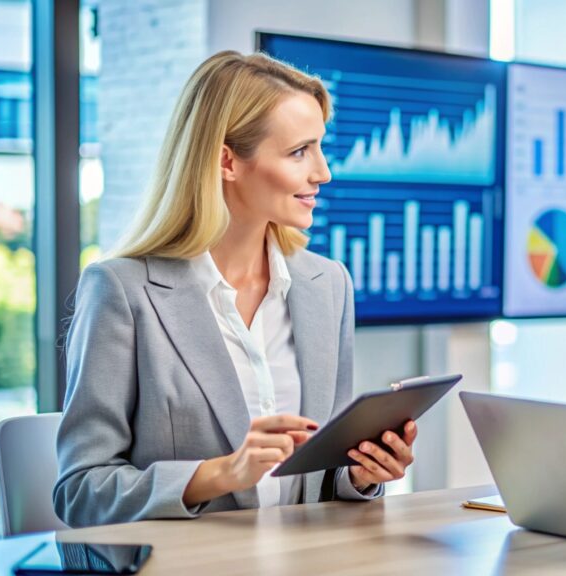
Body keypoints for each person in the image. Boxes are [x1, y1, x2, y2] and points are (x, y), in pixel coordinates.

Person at [54, 51, 416, 527]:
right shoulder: (122, 290)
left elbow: (326, 478)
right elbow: (81, 491)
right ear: (227, 161)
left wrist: (364, 474)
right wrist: (221, 473)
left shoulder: (327, 285)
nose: (323, 172)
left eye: (320, 148)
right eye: (299, 152)